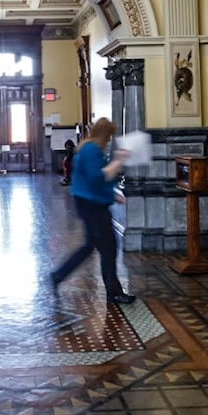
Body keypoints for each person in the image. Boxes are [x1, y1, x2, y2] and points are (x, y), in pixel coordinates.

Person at [48, 118, 134, 304]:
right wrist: (118, 161)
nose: (110, 140)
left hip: (90, 204)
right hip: (93, 206)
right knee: (106, 248)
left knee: (96, 247)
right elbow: (97, 177)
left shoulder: (86, 147)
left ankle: (59, 276)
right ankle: (113, 292)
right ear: (105, 135)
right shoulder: (92, 150)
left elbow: (95, 179)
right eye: (109, 136)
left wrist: (113, 195)